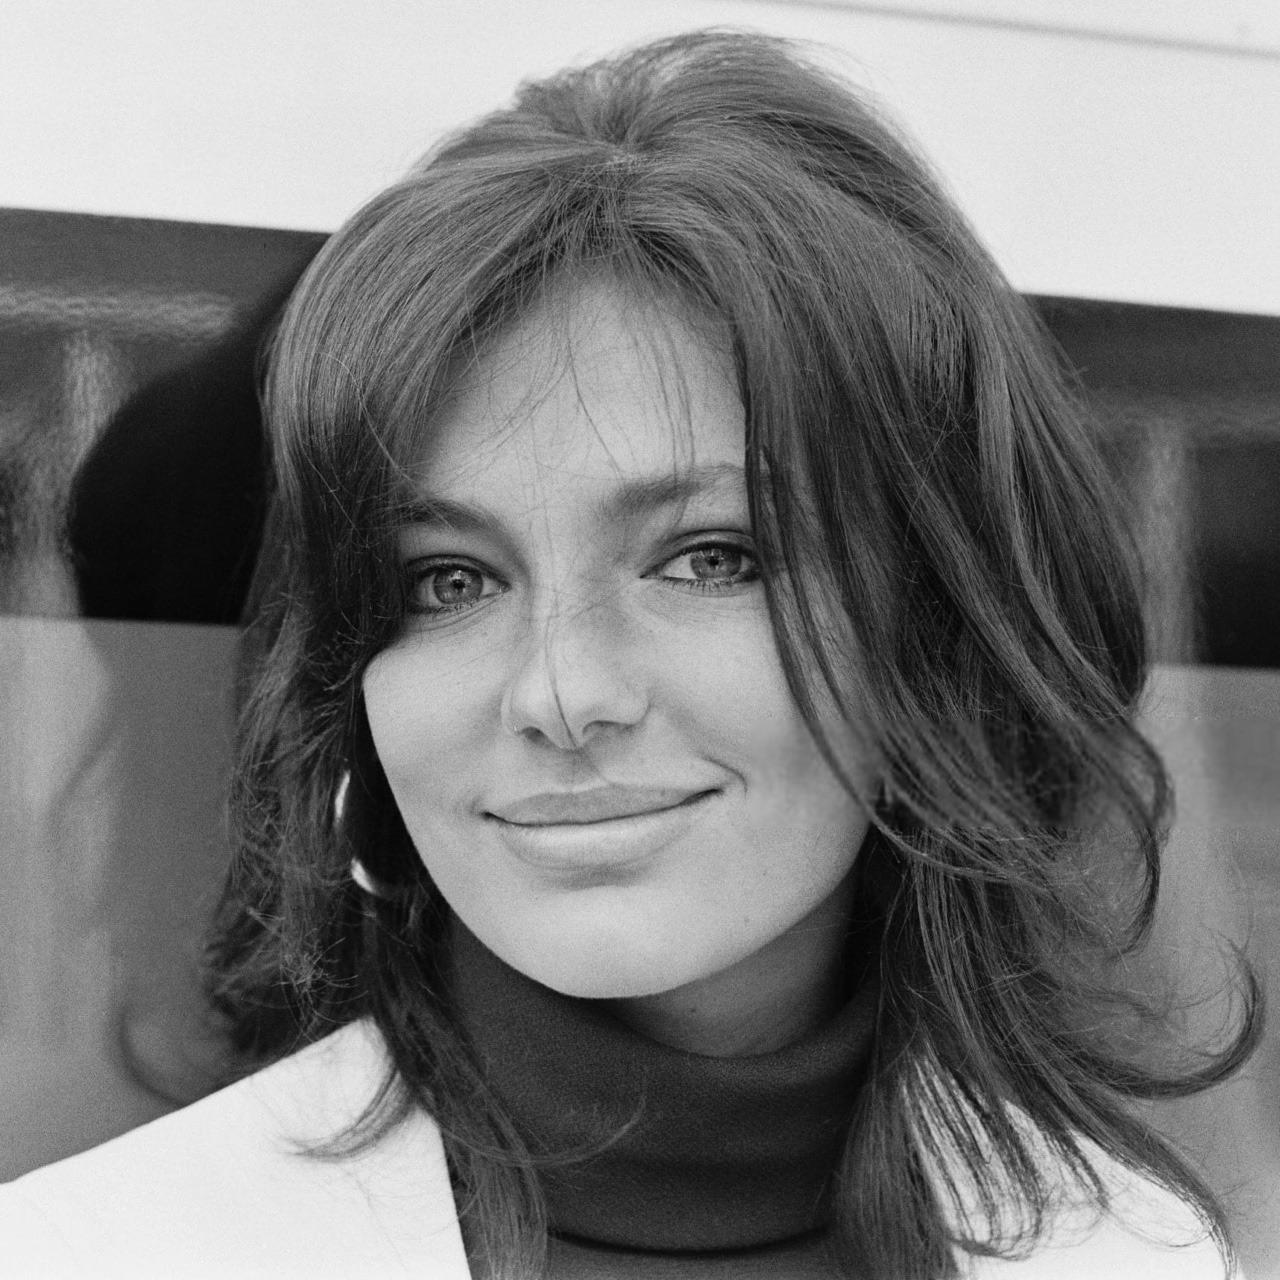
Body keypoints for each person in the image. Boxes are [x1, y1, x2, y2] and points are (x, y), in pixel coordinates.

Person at [0, 28, 1258, 1280]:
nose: (563, 692)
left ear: (937, 619)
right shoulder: (86, 1252)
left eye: (708, 556)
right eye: (445, 580)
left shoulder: (1138, 1244)